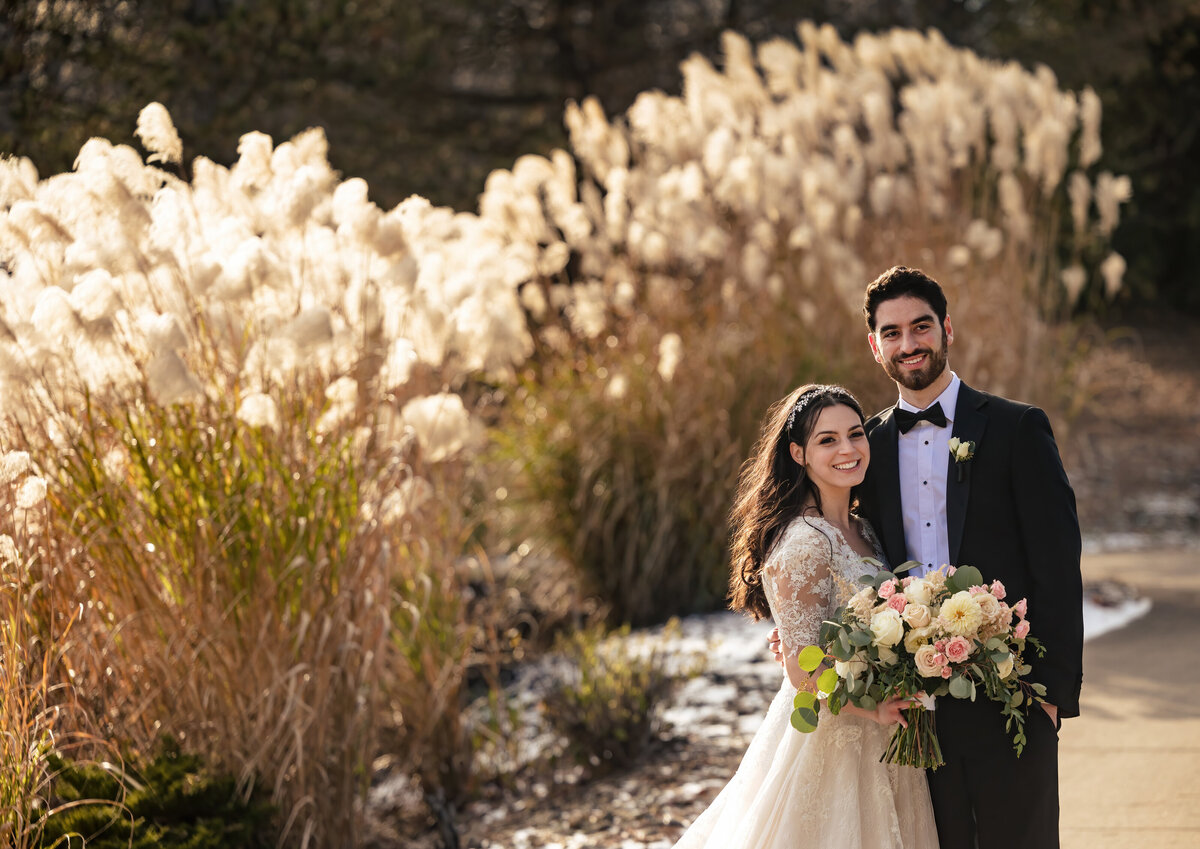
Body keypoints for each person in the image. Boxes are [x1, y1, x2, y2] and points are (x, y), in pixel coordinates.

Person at [770, 266, 1083, 849]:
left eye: (921, 327)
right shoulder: (867, 445)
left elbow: (1058, 567)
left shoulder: (1017, 429)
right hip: (912, 711)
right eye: (892, 332)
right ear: (874, 345)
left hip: (1010, 695)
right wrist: (803, 637)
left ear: (947, 331)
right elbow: (836, 557)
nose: (908, 344)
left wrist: (1053, 696)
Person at [674, 383, 938, 849]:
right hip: (835, 735)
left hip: (887, 734)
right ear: (798, 453)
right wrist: (872, 709)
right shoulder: (803, 542)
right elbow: (801, 669)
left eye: (855, 434)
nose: (848, 449)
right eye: (827, 440)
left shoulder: (864, 529)